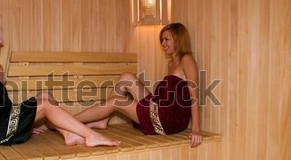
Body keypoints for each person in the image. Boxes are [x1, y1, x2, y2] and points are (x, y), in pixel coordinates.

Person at [0, 20, 120, 147]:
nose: (1, 41)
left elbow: (3, 104)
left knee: (46, 96)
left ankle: (69, 134)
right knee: (45, 104)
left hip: (1, 123)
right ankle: (90, 135)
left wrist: (24, 123)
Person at [74, 23, 203, 147]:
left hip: (169, 119)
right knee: (127, 77)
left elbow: (194, 96)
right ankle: (102, 120)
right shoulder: (171, 63)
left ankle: (71, 121)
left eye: (166, 39)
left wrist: (196, 129)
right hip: (160, 107)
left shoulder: (187, 60)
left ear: (178, 39)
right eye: (162, 40)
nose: (163, 43)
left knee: (116, 101)